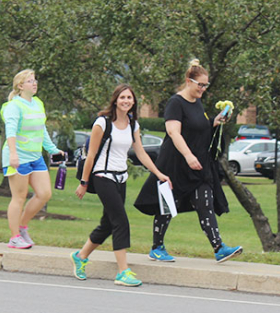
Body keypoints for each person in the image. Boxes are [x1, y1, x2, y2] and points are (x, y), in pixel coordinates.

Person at [133, 60, 242, 263]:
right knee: (168, 206)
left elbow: (199, 128)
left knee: (205, 203)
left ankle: (219, 248)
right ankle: (157, 247)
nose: (203, 89)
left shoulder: (197, 103)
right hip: (175, 164)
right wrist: (188, 155)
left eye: (205, 85)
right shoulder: (176, 103)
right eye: (200, 84)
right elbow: (173, 132)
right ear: (188, 81)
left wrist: (215, 122)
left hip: (198, 166)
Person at [72, 85, 171, 287]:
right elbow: (91, 155)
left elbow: (141, 153)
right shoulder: (102, 123)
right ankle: (122, 271)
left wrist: (159, 174)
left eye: (130, 98)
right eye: (123, 97)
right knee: (120, 221)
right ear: (115, 100)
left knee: (108, 224)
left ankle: (81, 256)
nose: (126, 101)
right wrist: (84, 182)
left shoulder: (133, 124)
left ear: (133, 102)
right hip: (102, 176)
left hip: (121, 178)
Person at [1, 69, 63, 249]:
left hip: (36, 157)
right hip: (18, 157)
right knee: (18, 197)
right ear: (20, 86)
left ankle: (21, 227)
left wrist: (52, 149)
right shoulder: (14, 105)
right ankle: (14, 237)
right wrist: (13, 154)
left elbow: (41, 129)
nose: (34, 83)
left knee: (45, 194)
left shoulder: (37, 103)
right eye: (30, 81)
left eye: (34, 80)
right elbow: (10, 132)